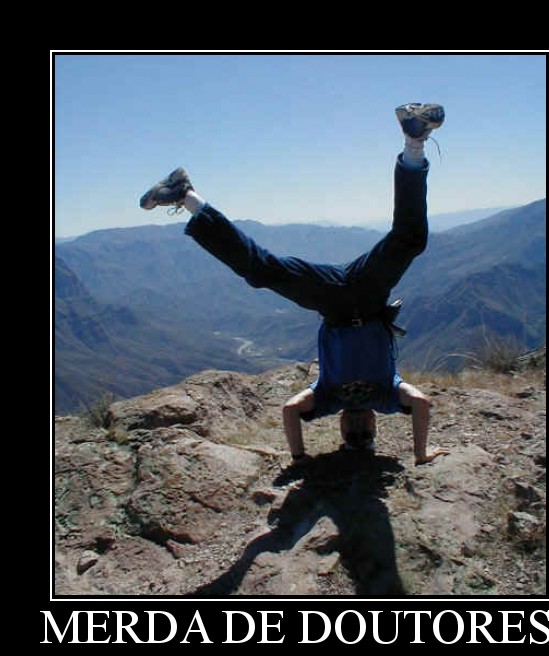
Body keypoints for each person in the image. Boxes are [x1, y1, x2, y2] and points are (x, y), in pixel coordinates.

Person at [140, 102, 450, 467]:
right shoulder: (387, 397)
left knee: (261, 271)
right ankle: (415, 140)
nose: (358, 430)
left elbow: (290, 410)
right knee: (410, 239)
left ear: (339, 429)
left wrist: (300, 457)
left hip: (331, 302)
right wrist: (420, 454)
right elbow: (421, 403)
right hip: (370, 295)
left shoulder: (327, 399)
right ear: (375, 426)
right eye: (366, 435)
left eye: (351, 436)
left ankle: (186, 195)